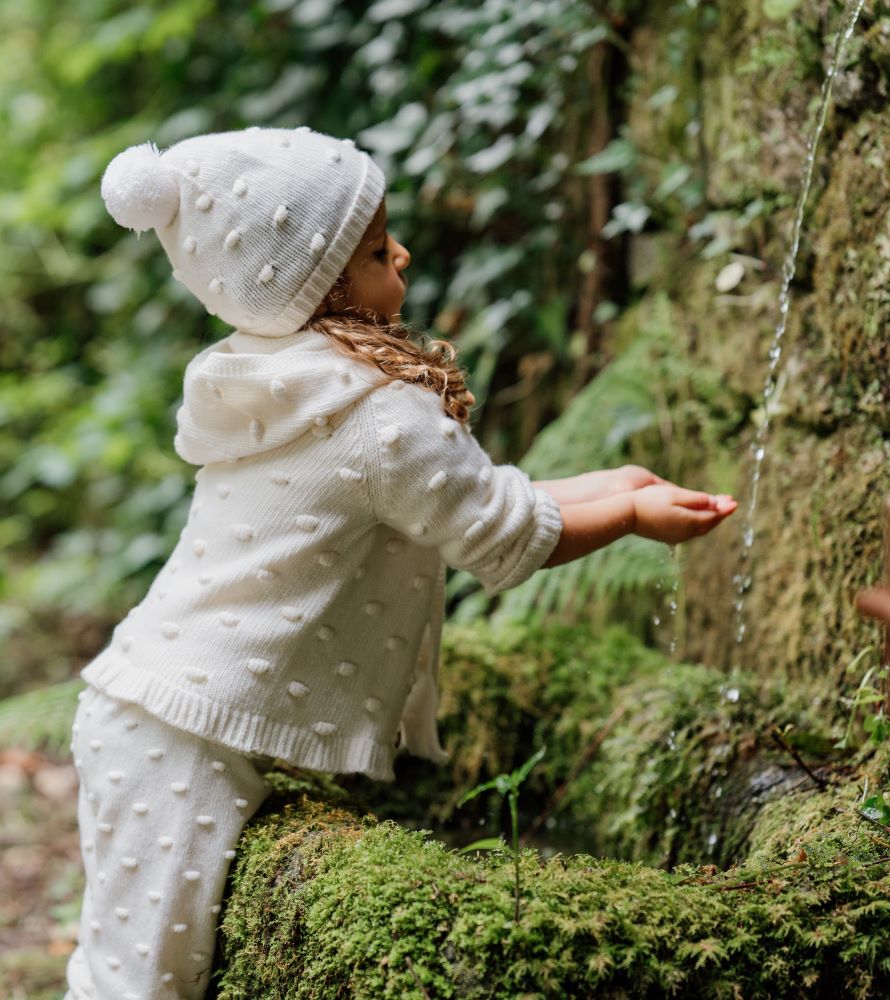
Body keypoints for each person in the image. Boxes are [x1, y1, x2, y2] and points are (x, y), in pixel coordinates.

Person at [66, 125, 738, 999]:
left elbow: (478, 497)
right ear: (321, 289)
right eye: (381, 250)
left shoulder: (288, 376)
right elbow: (495, 535)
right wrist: (631, 517)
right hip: (181, 742)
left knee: (120, 969)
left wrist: (611, 484)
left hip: (152, 709)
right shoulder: (381, 415)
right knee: (140, 986)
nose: (406, 255)